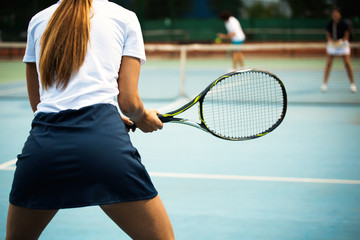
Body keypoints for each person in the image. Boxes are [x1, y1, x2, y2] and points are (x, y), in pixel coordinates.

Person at [5, 0, 175, 239]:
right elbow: (129, 103)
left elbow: (39, 104)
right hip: (104, 147)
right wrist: (143, 118)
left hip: (43, 150)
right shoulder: (124, 17)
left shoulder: (39, 20)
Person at [322, 8, 357, 93]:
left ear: (339, 15)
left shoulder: (344, 24)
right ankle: (324, 84)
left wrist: (339, 42)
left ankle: (352, 84)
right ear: (332, 16)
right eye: (334, 14)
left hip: (343, 44)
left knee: (347, 63)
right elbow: (328, 36)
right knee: (328, 63)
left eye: (337, 14)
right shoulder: (330, 24)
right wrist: (332, 42)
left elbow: (347, 36)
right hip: (333, 45)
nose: (335, 16)